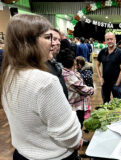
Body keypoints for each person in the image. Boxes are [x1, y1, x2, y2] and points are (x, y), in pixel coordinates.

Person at [0, 14, 82, 160]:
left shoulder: (9, 72)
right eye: (47, 37)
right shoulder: (45, 81)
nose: (52, 43)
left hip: (22, 154)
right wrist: (76, 140)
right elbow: (67, 134)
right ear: (29, 42)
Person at [57, 48, 94, 128]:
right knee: (78, 125)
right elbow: (83, 89)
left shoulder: (64, 71)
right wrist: (92, 89)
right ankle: (78, 140)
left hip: (72, 105)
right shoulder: (69, 76)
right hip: (76, 107)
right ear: (73, 62)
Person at [96, 32, 121, 103]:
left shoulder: (120, 53)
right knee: (105, 103)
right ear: (105, 41)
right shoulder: (102, 52)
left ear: (115, 39)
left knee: (117, 103)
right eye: (107, 39)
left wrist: (118, 82)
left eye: (111, 39)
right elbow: (97, 65)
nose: (109, 41)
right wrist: (100, 78)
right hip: (105, 82)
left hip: (116, 82)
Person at [46, 28, 69, 99]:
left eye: (59, 40)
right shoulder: (41, 67)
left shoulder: (54, 64)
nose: (58, 43)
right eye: (54, 39)